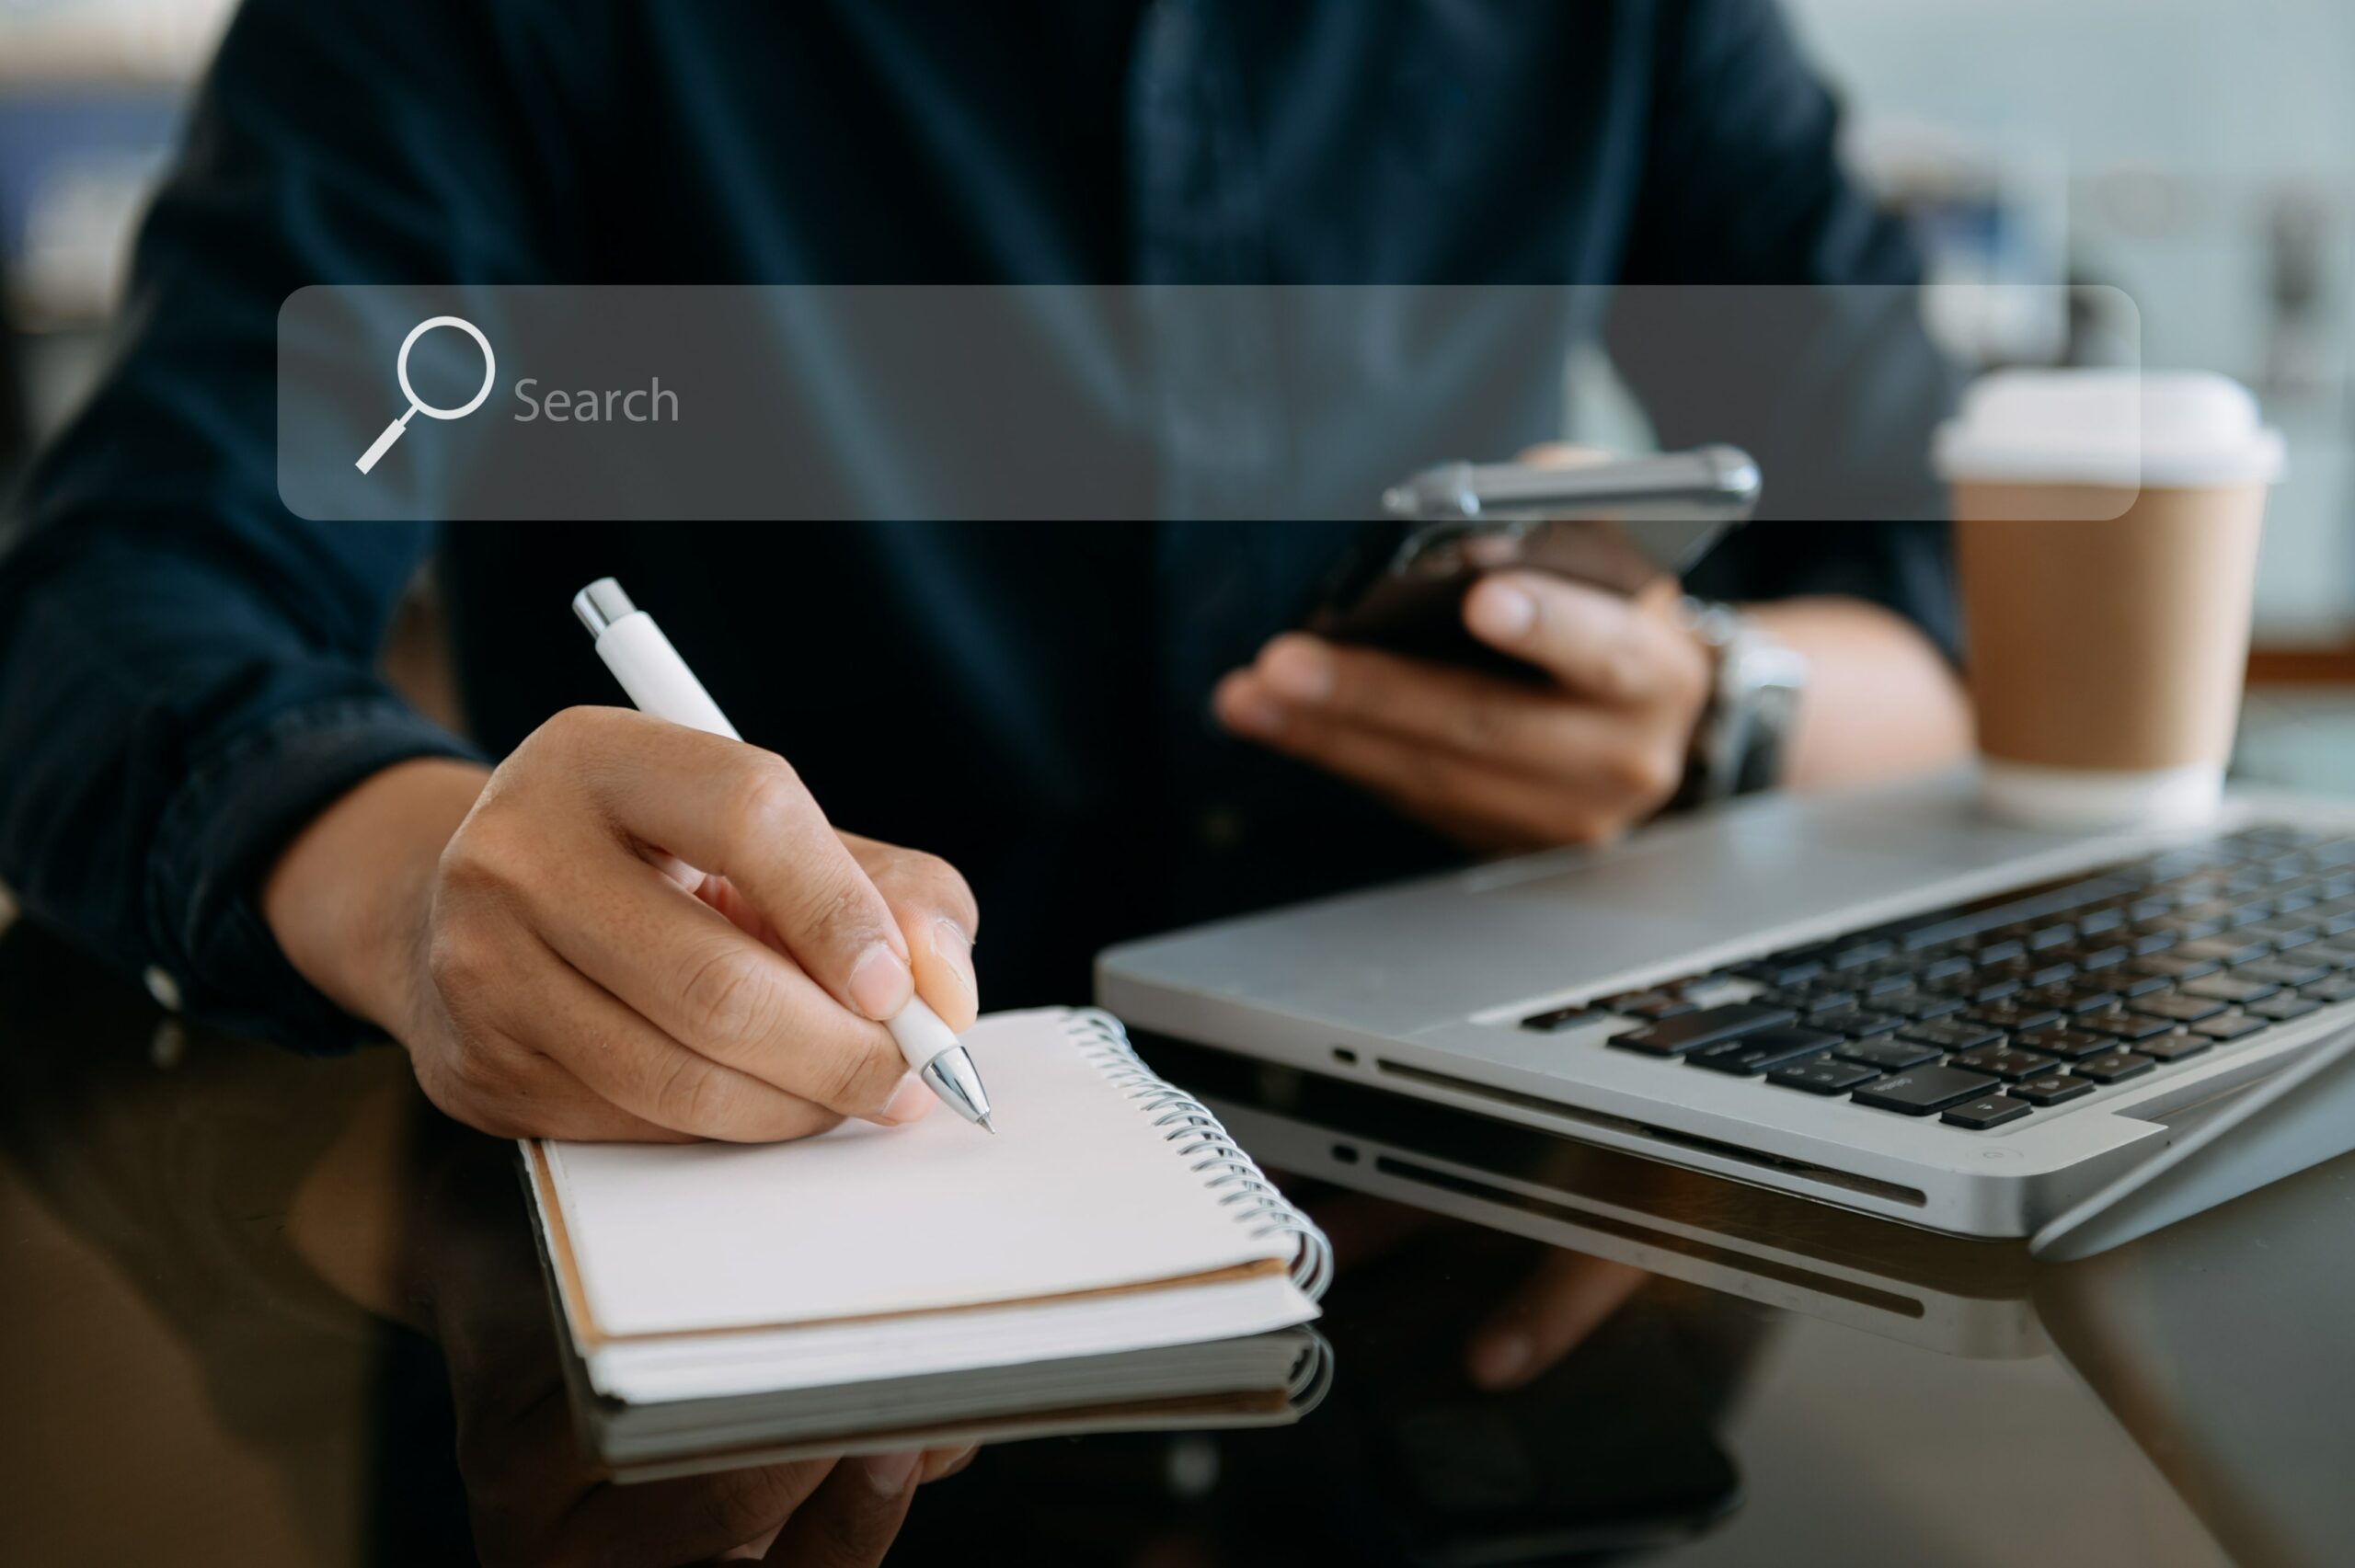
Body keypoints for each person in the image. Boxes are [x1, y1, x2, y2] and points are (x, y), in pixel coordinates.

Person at [0, 0, 1971, 1145]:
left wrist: (1722, 708)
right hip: (725, 1280)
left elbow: (1946, 538)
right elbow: (125, 599)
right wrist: (423, 887)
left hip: (1461, 1266)